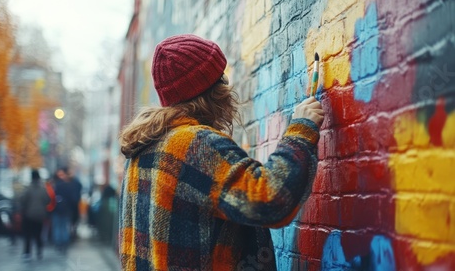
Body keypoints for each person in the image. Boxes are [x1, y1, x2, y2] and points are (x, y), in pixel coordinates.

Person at [118, 34, 325, 270]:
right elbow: (270, 200)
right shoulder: (194, 144)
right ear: (212, 90)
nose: (228, 86)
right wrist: (301, 130)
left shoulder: (141, 152)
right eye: (221, 78)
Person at [20, 169, 50, 260]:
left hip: (29, 215)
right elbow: (48, 200)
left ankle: (27, 253)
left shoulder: (28, 189)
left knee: (28, 235)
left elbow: (22, 200)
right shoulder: (43, 189)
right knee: (38, 234)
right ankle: (39, 251)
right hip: (40, 215)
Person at [51, 168, 77, 253]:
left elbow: (51, 198)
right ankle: (65, 243)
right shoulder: (68, 186)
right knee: (64, 227)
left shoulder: (55, 186)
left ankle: (59, 243)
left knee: (58, 227)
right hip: (66, 210)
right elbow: (73, 199)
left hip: (57, 210)